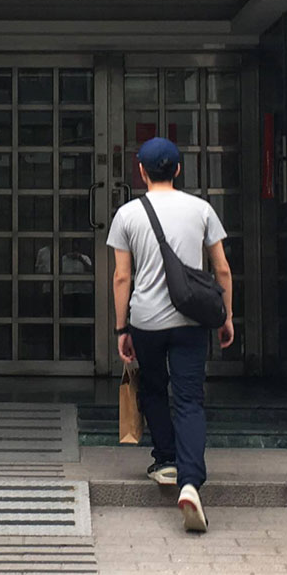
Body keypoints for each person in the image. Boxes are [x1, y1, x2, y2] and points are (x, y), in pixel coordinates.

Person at [107, 137, 233, 534]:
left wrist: (121, 327)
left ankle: (165, 460)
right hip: (191, 321)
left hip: (146, 321)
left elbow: (122, 276)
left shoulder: (127, 214)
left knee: (153, 389)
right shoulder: (201, 209)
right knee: (190, 400)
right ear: (178, 169)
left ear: (140, 172)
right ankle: (190, 482)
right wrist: (226, 317)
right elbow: (222, 269)